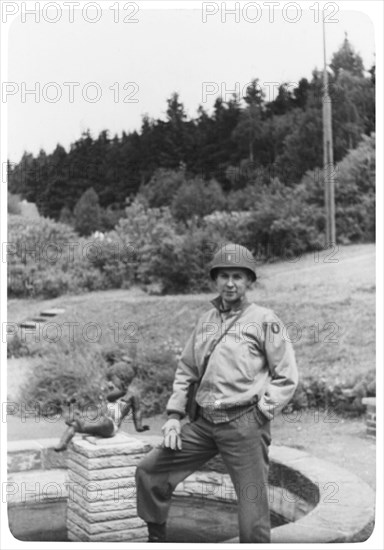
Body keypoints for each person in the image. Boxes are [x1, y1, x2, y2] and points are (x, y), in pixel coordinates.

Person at [135, 243, 299, 543]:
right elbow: (186, 370)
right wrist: (173, 416)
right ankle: (156, 539)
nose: (230, 283)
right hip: (204, 425)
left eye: (238, 276)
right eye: (223, 276)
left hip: (244, 424)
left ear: (249, 281)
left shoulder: (265, 320)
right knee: (150, 471)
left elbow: (287, 375)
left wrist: (261, 413)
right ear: (215, 279)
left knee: (252, 509)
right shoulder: (206, 321)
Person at [54, 367, 149, 452]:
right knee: (75, 425)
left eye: (112, 379)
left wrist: (139, 427)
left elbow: (137, 411)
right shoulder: (112, 393)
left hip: (110, 427)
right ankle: (63, 443)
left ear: (123, 379)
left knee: (105, 421)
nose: (109, 383)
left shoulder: (132, 395)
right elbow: (108, 401)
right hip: (99, 422)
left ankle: (79, 421)